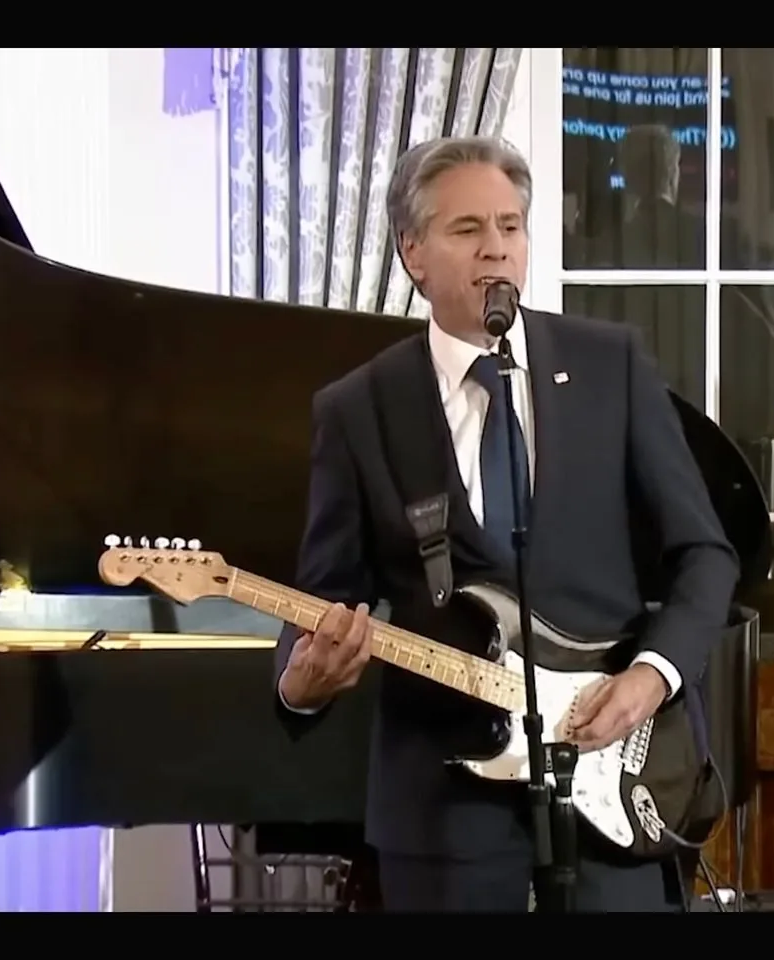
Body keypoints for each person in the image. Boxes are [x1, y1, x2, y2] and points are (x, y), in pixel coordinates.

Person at [272, 136, 739, 912]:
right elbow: (323, 594)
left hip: (611, 790)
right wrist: (300, 683)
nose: (496, 248)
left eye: (511, 226)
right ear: (413, 253)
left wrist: (652, 675)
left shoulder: (611, 365)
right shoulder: (359, 409)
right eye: (468, 229)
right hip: (443, 821)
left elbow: (706, 554)